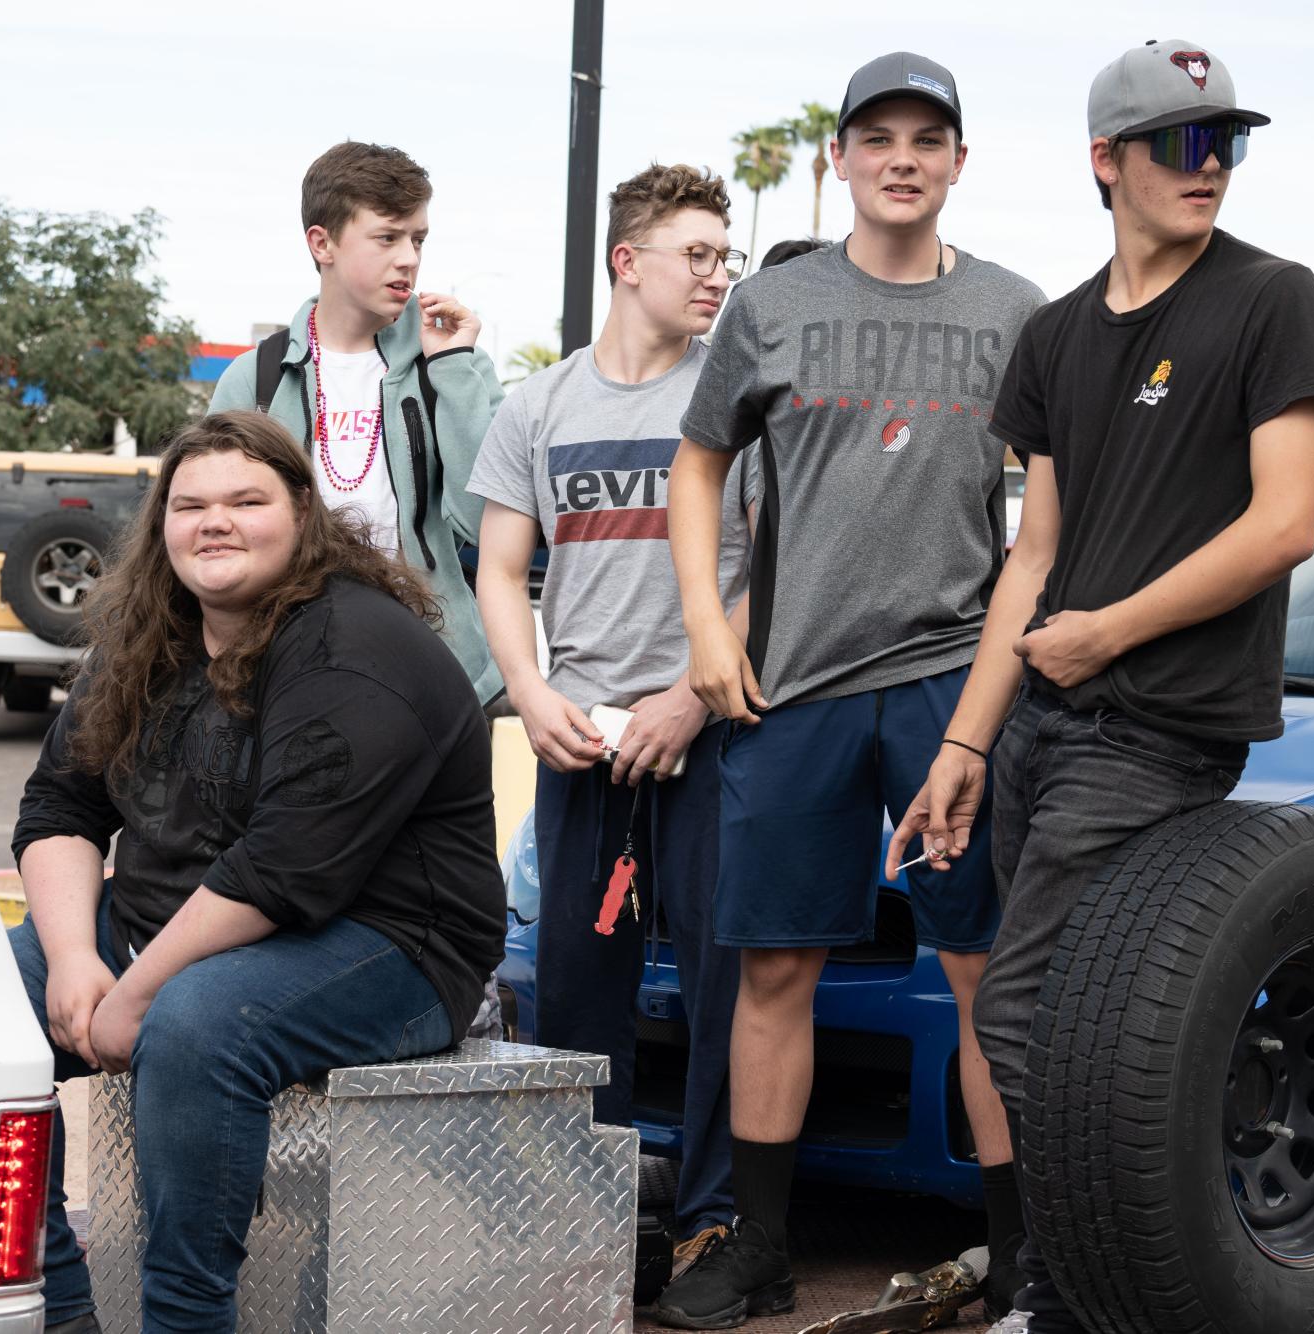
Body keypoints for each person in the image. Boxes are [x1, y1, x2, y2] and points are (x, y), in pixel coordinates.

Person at [889, 40, 1314, 1333]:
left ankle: (1117, 1290)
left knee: (1035, 1015)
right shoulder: (1053, 335)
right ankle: (1065, 1288)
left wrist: (1107, 635)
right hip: (1040, 720)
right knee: (1050, 1022)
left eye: (1227, 144)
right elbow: (1031, 553)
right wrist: (967, 742)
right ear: (1107, 161)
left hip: (1157, 731)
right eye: (1182, 145)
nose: (1210, 169)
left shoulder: (1273, 300)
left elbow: (1286, 524)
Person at [657, 52, 1046, 1329]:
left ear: (956, 162)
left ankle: (1019, 1251)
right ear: (838, 159)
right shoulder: (771, 310)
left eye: (925, 138)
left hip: (947, 684)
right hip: (796, 688)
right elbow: (699, 464)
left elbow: (1044, 529)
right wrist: (710, 628)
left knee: (984, 966)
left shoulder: (1014, 314)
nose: (900, 157)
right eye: (875, 137)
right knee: (776, 967)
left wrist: (990, 714)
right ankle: (757, 1243)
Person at [8, 411, 505, 1334]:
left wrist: (135, 992)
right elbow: (60, 810)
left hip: (387, 940)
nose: (215, 521)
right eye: (190, 504)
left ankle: (185, 1317)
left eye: (246, 500)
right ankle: (56, 1304)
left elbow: (285, 868)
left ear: (303, 512)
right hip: (188, 918)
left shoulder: (357, 643)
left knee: (198, 1024)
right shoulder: (147, 638)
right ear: (161, 523)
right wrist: (75, 958)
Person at [469, 162, 760, 1276]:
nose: (716, 275)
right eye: (696, 253)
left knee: (725, 988)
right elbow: (502, 568)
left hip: (710, 732)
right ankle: (590, 1228)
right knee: (580, 997)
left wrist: (694, 692)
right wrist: (532, 693)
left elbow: (769, 569)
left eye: (724, 257)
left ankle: (711, 1219)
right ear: (625, 261)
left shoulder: (729, 402)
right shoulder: (540, 405)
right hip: (583, 743)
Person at [210, 140, 506, 707]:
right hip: (288, 669)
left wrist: (454, 368)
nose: (410, 258)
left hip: (434, 669)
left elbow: (484, 522)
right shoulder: (256, 380)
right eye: (388, 237)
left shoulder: (450, 365)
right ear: (322, 243)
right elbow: (219, 535)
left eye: (418, 239)